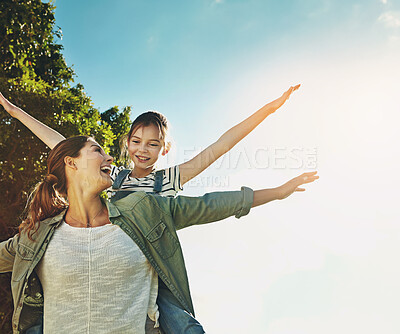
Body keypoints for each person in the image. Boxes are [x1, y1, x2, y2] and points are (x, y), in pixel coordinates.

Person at [0, 85, 300, 333]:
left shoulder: (165, 182)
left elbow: (219, 148)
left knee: (176, 317)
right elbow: (63, 147)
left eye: (153, 144)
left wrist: (268, 110)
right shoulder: (114, 175)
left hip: (148, 257)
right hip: (108, 247)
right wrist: (15, 112)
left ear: (164, 149)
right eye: (137, 142)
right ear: (126, 142)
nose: (143, 150)